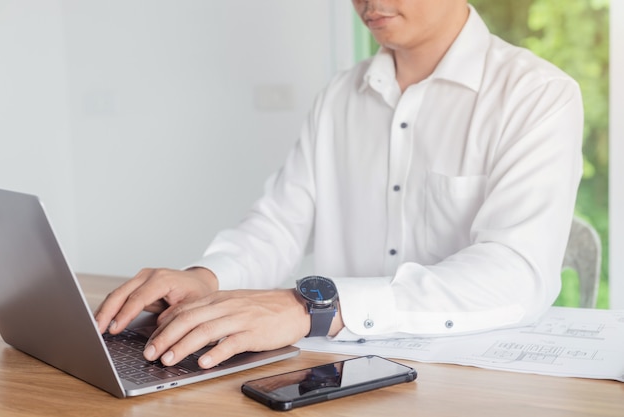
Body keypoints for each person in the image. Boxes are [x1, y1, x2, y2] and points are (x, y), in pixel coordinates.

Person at [95, 0, 583, 370]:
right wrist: (206, 279)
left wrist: (314, 309)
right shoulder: (338, 98)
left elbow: (515, 274)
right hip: (338, 374)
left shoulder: (537, 96)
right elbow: (279, 224)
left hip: (470, 378)